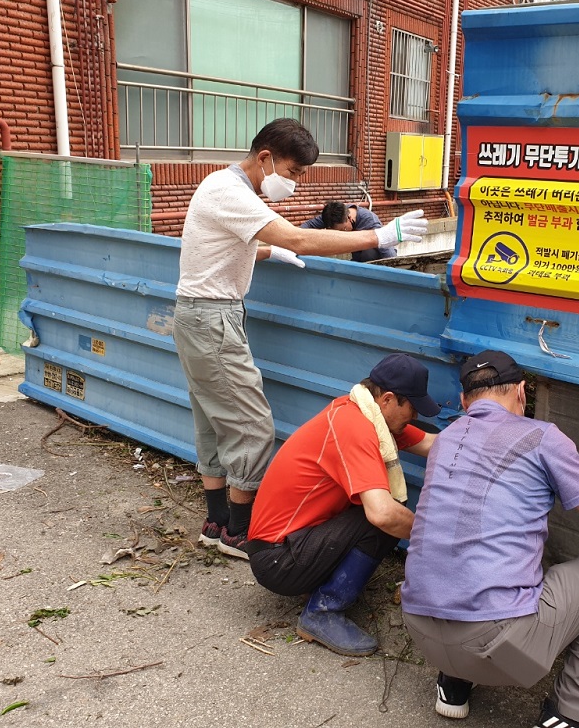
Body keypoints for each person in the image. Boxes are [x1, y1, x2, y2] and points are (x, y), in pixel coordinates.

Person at [174, 118, 428, 559]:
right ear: (265, 158)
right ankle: (238, 533)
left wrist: (269, 252)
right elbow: (298, 237)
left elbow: (220, 247)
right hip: (213, 318)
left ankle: (216, 524)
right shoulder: (230, 191)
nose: (294, 182)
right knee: (252, 426)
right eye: (293, 172)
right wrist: (380, 235)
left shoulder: (218, 185)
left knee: (212, 419)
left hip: (196, 315)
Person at [401, 350, 579, 728]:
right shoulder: (541, 436)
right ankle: (573, 715)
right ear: (521, 392)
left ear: (464, 401)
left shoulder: (447, 439)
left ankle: (454, 683)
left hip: (420, 631)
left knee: (481, 549)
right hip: (492, 645)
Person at [246, 353, 441, 657]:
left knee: (385, 510)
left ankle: (318, 583)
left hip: (289, 543)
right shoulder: (355, 427)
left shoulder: (367, 415)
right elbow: (383, 514)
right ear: (388, 399)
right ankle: (322, 612)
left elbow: (431, 443)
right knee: (386, 515)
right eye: (412, 408)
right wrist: (437, 538)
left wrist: (485, 439)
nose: (415, 416)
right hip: (277, 560)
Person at [301, 201, 397, 262]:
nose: (343, 234)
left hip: (374, 260)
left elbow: (386, 247)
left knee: (369, 252)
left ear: (349, 218)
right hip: (356, 259)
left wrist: (394, 270)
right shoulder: (332, 215)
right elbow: (306, 227)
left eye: (343, 229)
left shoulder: (369, 221)